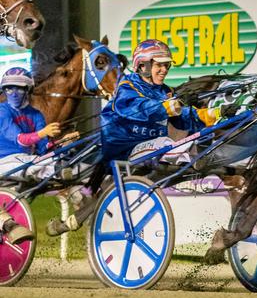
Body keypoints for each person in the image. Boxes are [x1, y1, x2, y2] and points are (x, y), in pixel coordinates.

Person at [46, 39, 218, 236]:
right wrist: (165, 107)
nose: (164, 69)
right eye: (159, 64)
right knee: (167, 143)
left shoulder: (164, 91)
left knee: (180, 137)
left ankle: (75, 220)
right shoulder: (127, 87)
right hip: (124, 146)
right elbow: (136, 109)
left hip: (149, 147)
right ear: (142, 65)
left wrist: (209, 115)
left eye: (166, 64)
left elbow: (183, 118)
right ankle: (187, 158)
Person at [0, 67, 63, 244]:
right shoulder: (2, 111)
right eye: (8, 88)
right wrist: (43, 133)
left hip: (28, 161)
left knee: (57, 159)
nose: (13, 93)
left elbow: (44, 148)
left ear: (28, 90)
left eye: (19, 88)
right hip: (5, 161)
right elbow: (21, 140)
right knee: (35, 163)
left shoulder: (36, 115)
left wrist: (59, 142)